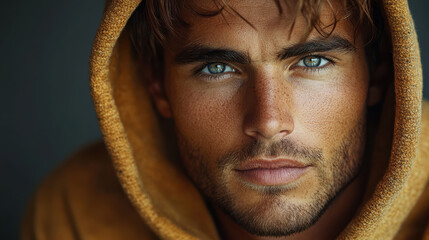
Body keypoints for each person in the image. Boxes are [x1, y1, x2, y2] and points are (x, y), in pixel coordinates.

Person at [22, 0, 429, 239]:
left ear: (379, 74)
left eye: (313, 60)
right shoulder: (75, 213)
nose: (269, 122)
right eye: (217, 68)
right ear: (158, 87)